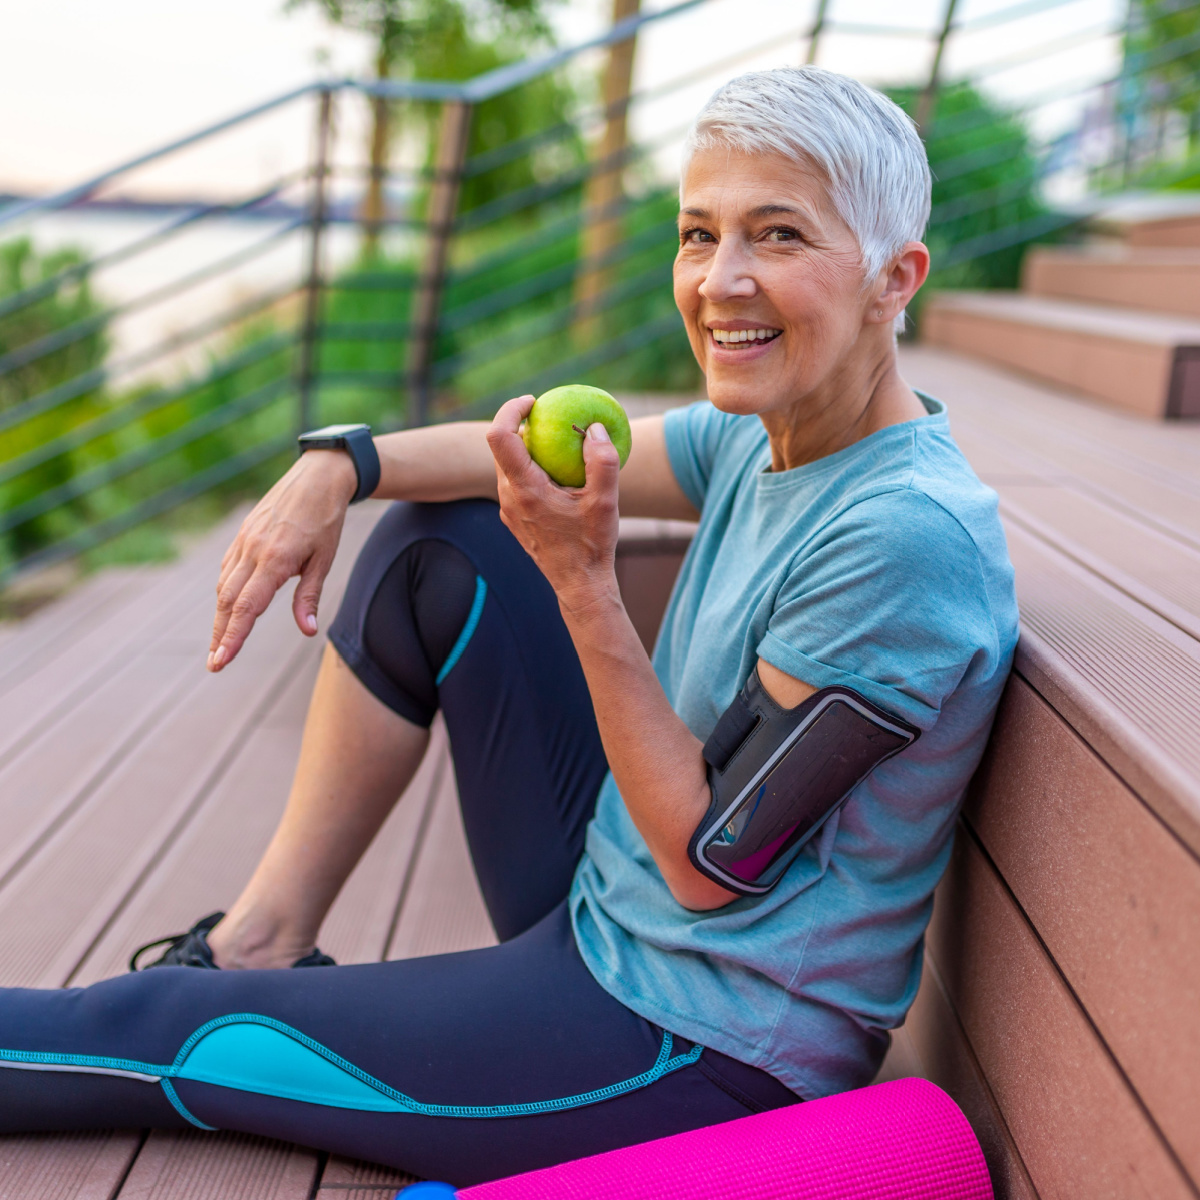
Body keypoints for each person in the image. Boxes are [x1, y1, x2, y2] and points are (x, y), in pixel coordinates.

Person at [0, 66, 1017, 1185]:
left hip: (694, 1047)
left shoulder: (902, 540)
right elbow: (515, 450)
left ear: (894, 277)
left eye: (776, 237)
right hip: (604, 905)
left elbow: (703, 870)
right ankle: (264, 937)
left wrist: (584, 581)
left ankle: (212, 987)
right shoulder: (771, 429)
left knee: (181, 1031)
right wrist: (341, 464)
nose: (721, 280)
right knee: (443, 540)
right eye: (698, 233)